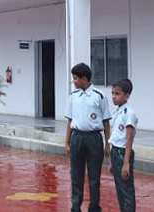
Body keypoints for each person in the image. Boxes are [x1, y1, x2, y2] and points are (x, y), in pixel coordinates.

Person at [65, 62, 111, 212]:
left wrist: (107, 143)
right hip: (77, 137)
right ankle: (75, 206)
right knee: (76, 175)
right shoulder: (73, 97)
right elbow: (70, 120)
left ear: (84, 79)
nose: (73, 81)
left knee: (94, 176)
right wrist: (67, 141)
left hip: (94, 138)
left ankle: (94, 207)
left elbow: (106, 121)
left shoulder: (99, 96)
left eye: (75, 78)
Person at [109, 78, 138, 212]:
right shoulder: (117, 111)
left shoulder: (129, 113)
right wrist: (112, 161)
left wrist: (126, 162)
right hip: (116, 152)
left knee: (126, 190)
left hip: (123, 153)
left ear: (127, 95)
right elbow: (116, 137)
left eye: (117, 94)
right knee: (120, 189)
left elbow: (129, 139)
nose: (114, 97)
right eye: (113, 93)